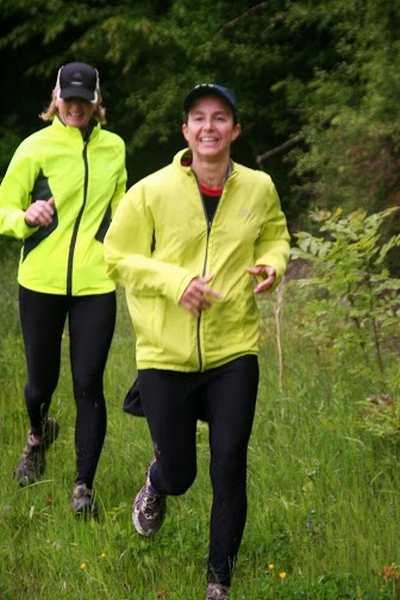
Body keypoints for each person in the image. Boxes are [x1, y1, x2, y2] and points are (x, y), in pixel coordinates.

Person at [104, 83, 290, 599]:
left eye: (220, 117)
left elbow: (275, 233)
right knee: (182, 472)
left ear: (235, 129)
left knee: (229, 462)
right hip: (165, 352)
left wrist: (273, 264)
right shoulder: (150, 191)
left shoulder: (259, 187)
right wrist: (175, 283)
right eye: (199, 118)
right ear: (185, 131)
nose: (210, 126)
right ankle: (158, 482)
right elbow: (117, 257)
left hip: (234, 349)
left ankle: (218, 585)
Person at [0, 61, 127, 518]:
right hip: (41, 281)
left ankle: (83, 488)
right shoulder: (35, 146)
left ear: (97, 101)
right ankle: (37, 437)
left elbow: (121, 208)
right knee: (40, 385)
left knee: (88, 383)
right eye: (67, 98)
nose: (75, 106)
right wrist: (23, 218)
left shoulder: (115, 148)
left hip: (96, 283)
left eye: (84, 98)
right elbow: (3, 205)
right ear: (55, 98)